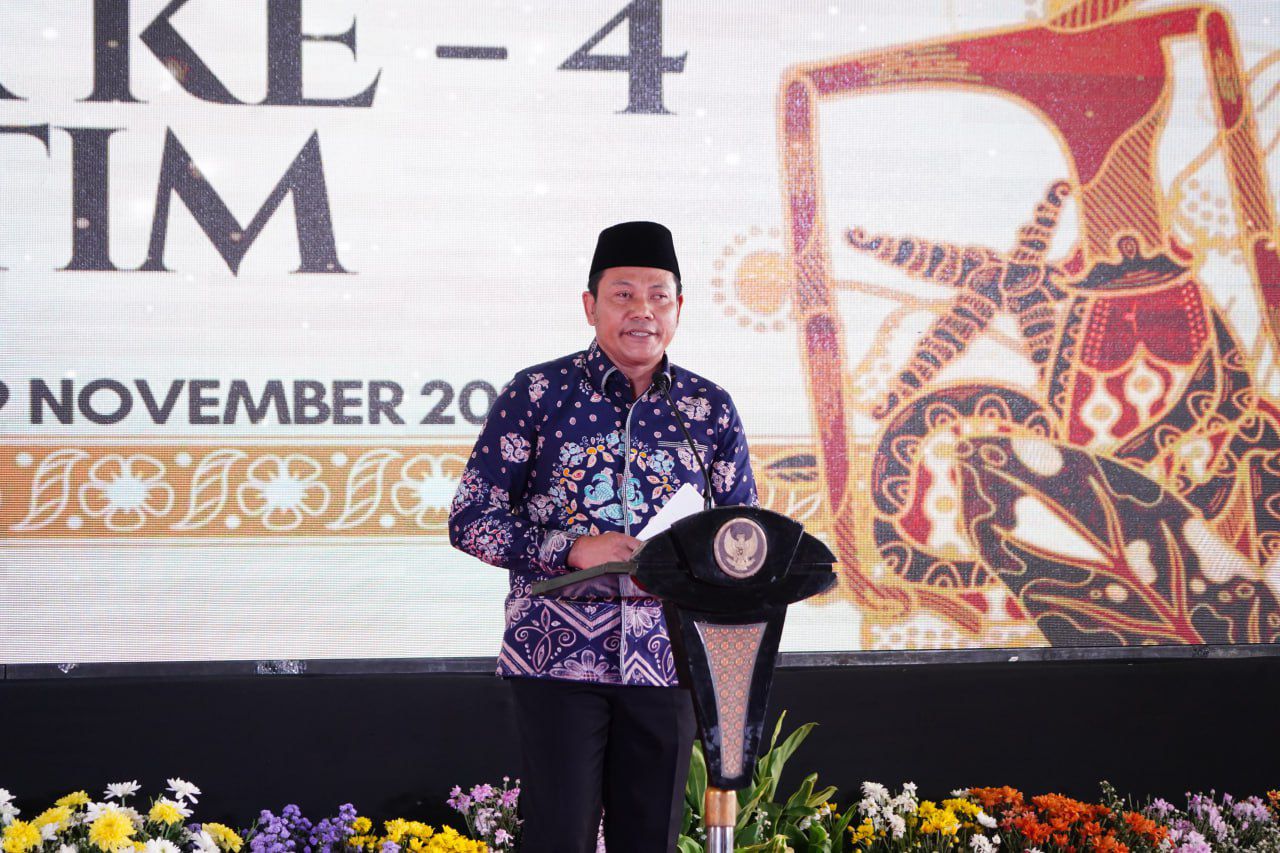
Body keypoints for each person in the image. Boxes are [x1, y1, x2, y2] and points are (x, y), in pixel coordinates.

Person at [448, 220, 758, 852]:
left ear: (679, 308)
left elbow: (742, 537)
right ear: (590, 306)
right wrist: (569, 548)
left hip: (668, 661)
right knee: (559, 838)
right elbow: (471, 519)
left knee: (650, 841)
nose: (642, 310)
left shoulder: (709, 409)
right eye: (623, 294)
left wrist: (697, 562)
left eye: (658, 295)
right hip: (557, 658)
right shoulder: (538, 394)